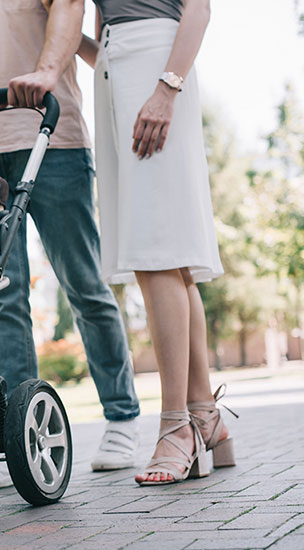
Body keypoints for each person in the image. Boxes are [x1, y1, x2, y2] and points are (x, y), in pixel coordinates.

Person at [0, 0, 141, 490]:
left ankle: (123, 418)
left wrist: (44, 71)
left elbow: (67, 10)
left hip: (51, 134)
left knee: (83, 281)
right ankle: (20, 440)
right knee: (0, 295)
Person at [76, 0, 233, 485]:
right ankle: (205, 417)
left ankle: (176, 427)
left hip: (159, 70)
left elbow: (199, 9)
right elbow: (102, 36)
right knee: (169, 257)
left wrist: (167, 88)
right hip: (115, 74)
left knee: (156, 249)